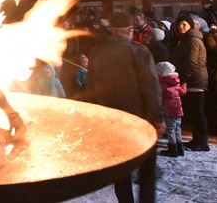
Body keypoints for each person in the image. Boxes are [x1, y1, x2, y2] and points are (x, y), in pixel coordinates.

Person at [81, 13, 164, 203]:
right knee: (147, 166)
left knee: (120, 169)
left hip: (111, 121)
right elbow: (150, 87)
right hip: (140, 120)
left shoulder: (96, 51)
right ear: (130, 30)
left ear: (111, 30)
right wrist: (159, 117)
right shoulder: (139, 51)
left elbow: (91, 87)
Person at [170, 13, 210, 151]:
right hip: (192, 79)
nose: (181, 27)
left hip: (194, 80)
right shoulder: (185, 39)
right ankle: (197, 139)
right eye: (179, 24)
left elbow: (191, 62)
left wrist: (182, 79)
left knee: (198, 110)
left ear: (191, 26)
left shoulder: (192, 40)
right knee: (194, 110)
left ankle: (202, 141)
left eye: (184, 24)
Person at [156, 61, 187, 157]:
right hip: (178, 111)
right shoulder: (175, 83)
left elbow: (159, 97)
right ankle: (180, 148)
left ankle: (172, 149)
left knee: (170, 130)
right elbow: (182, 92)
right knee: (177, 129)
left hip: (169, 112)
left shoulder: (163, 85)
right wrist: (184, 85)